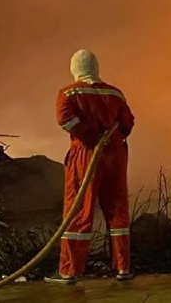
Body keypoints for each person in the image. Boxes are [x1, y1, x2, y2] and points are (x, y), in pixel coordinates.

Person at [45, 49, 136, 284]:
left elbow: (65, 120)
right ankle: (123, 269)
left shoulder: (68, 92)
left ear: (75, 68)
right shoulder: (115, 93)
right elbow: (128, 123)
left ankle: (70, 271)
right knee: (117, 210)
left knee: (78, 210)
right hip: (115, 155)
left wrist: (91, 138)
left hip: (85, 154)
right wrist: (111, 138)